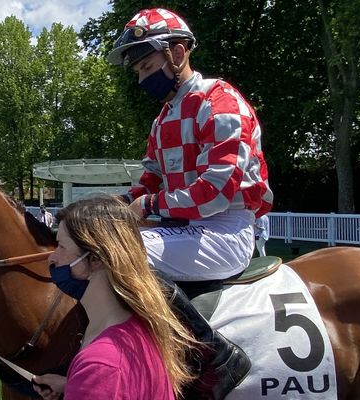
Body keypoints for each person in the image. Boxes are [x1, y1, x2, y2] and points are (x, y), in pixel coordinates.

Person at [107, 8, 274, 398]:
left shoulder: (220, 100)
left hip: (226, 229)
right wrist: (109, 207)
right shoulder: (162, 118)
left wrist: (149, 207)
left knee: (120, 252)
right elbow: (147, 182)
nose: (141, 77)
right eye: (137, 71)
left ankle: (217, 357)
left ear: (178, 52)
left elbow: (215, 191)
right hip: (182, 228)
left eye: (146, 65)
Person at [33, 196, 200, 400]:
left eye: (61, 247)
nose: (52, 257)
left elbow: (108, 377)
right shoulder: (139, 325)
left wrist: (90, 382)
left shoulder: (101, 366)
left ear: (95, 259)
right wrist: (75, 385)